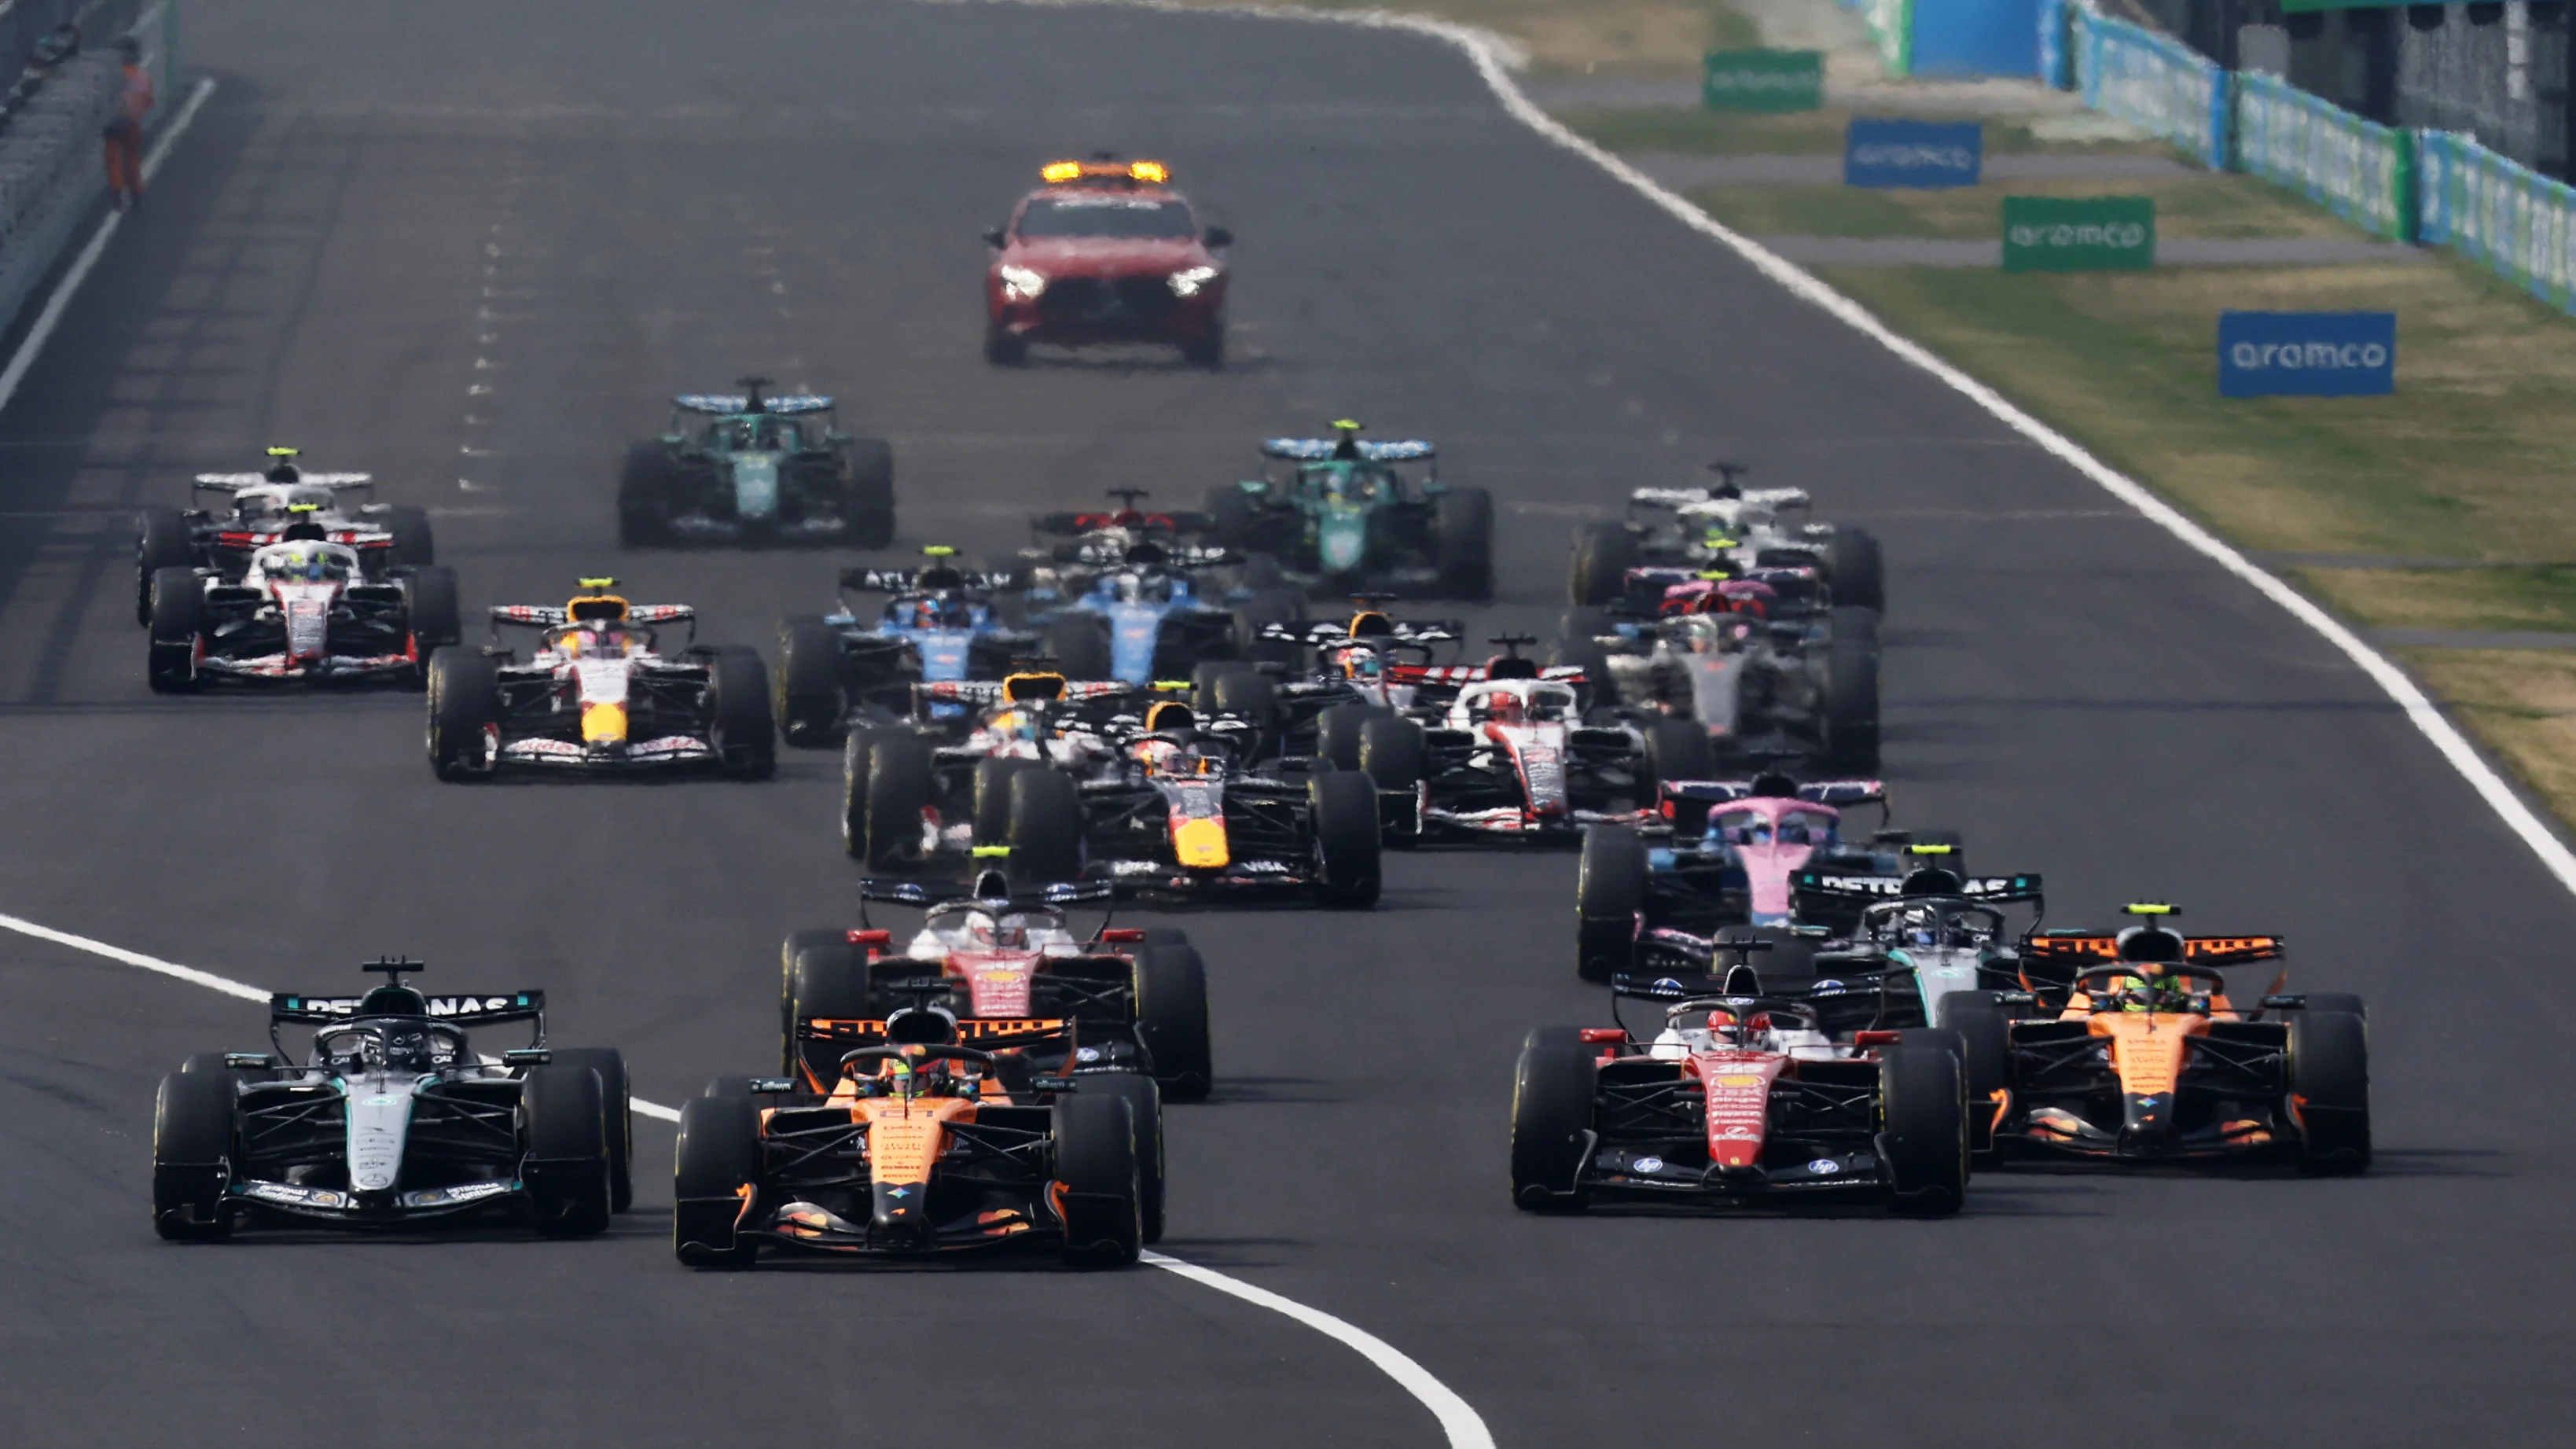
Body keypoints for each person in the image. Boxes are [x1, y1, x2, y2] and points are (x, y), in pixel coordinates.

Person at [101, 37, 153, 211]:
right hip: (131, 122)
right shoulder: (140, 75)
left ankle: (116, 193)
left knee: (113, 157)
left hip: (112, 121)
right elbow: (148, 101)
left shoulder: (110, 75)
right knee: (131, 159)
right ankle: (136, 193)